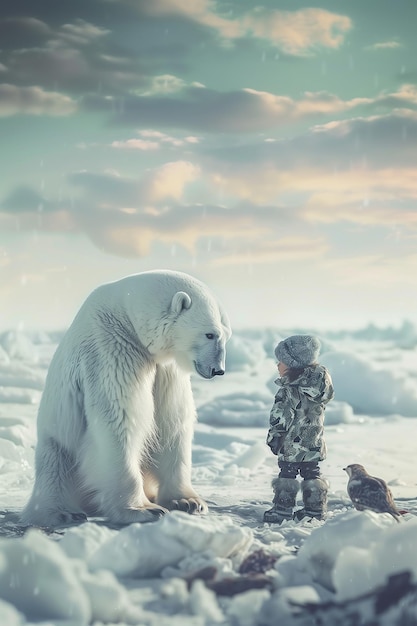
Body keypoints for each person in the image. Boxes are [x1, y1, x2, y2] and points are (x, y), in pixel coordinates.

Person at [263, 334, 334, 524]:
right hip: (314, 441)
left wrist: (275, 437)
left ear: (293, 364)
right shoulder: (320, 385)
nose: (277, 365)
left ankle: (282, 509)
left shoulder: (289, 389)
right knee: (312, 472)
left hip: (292, 443)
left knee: (287, 473)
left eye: (281, 361)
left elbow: (281, 417)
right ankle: (315, 509)